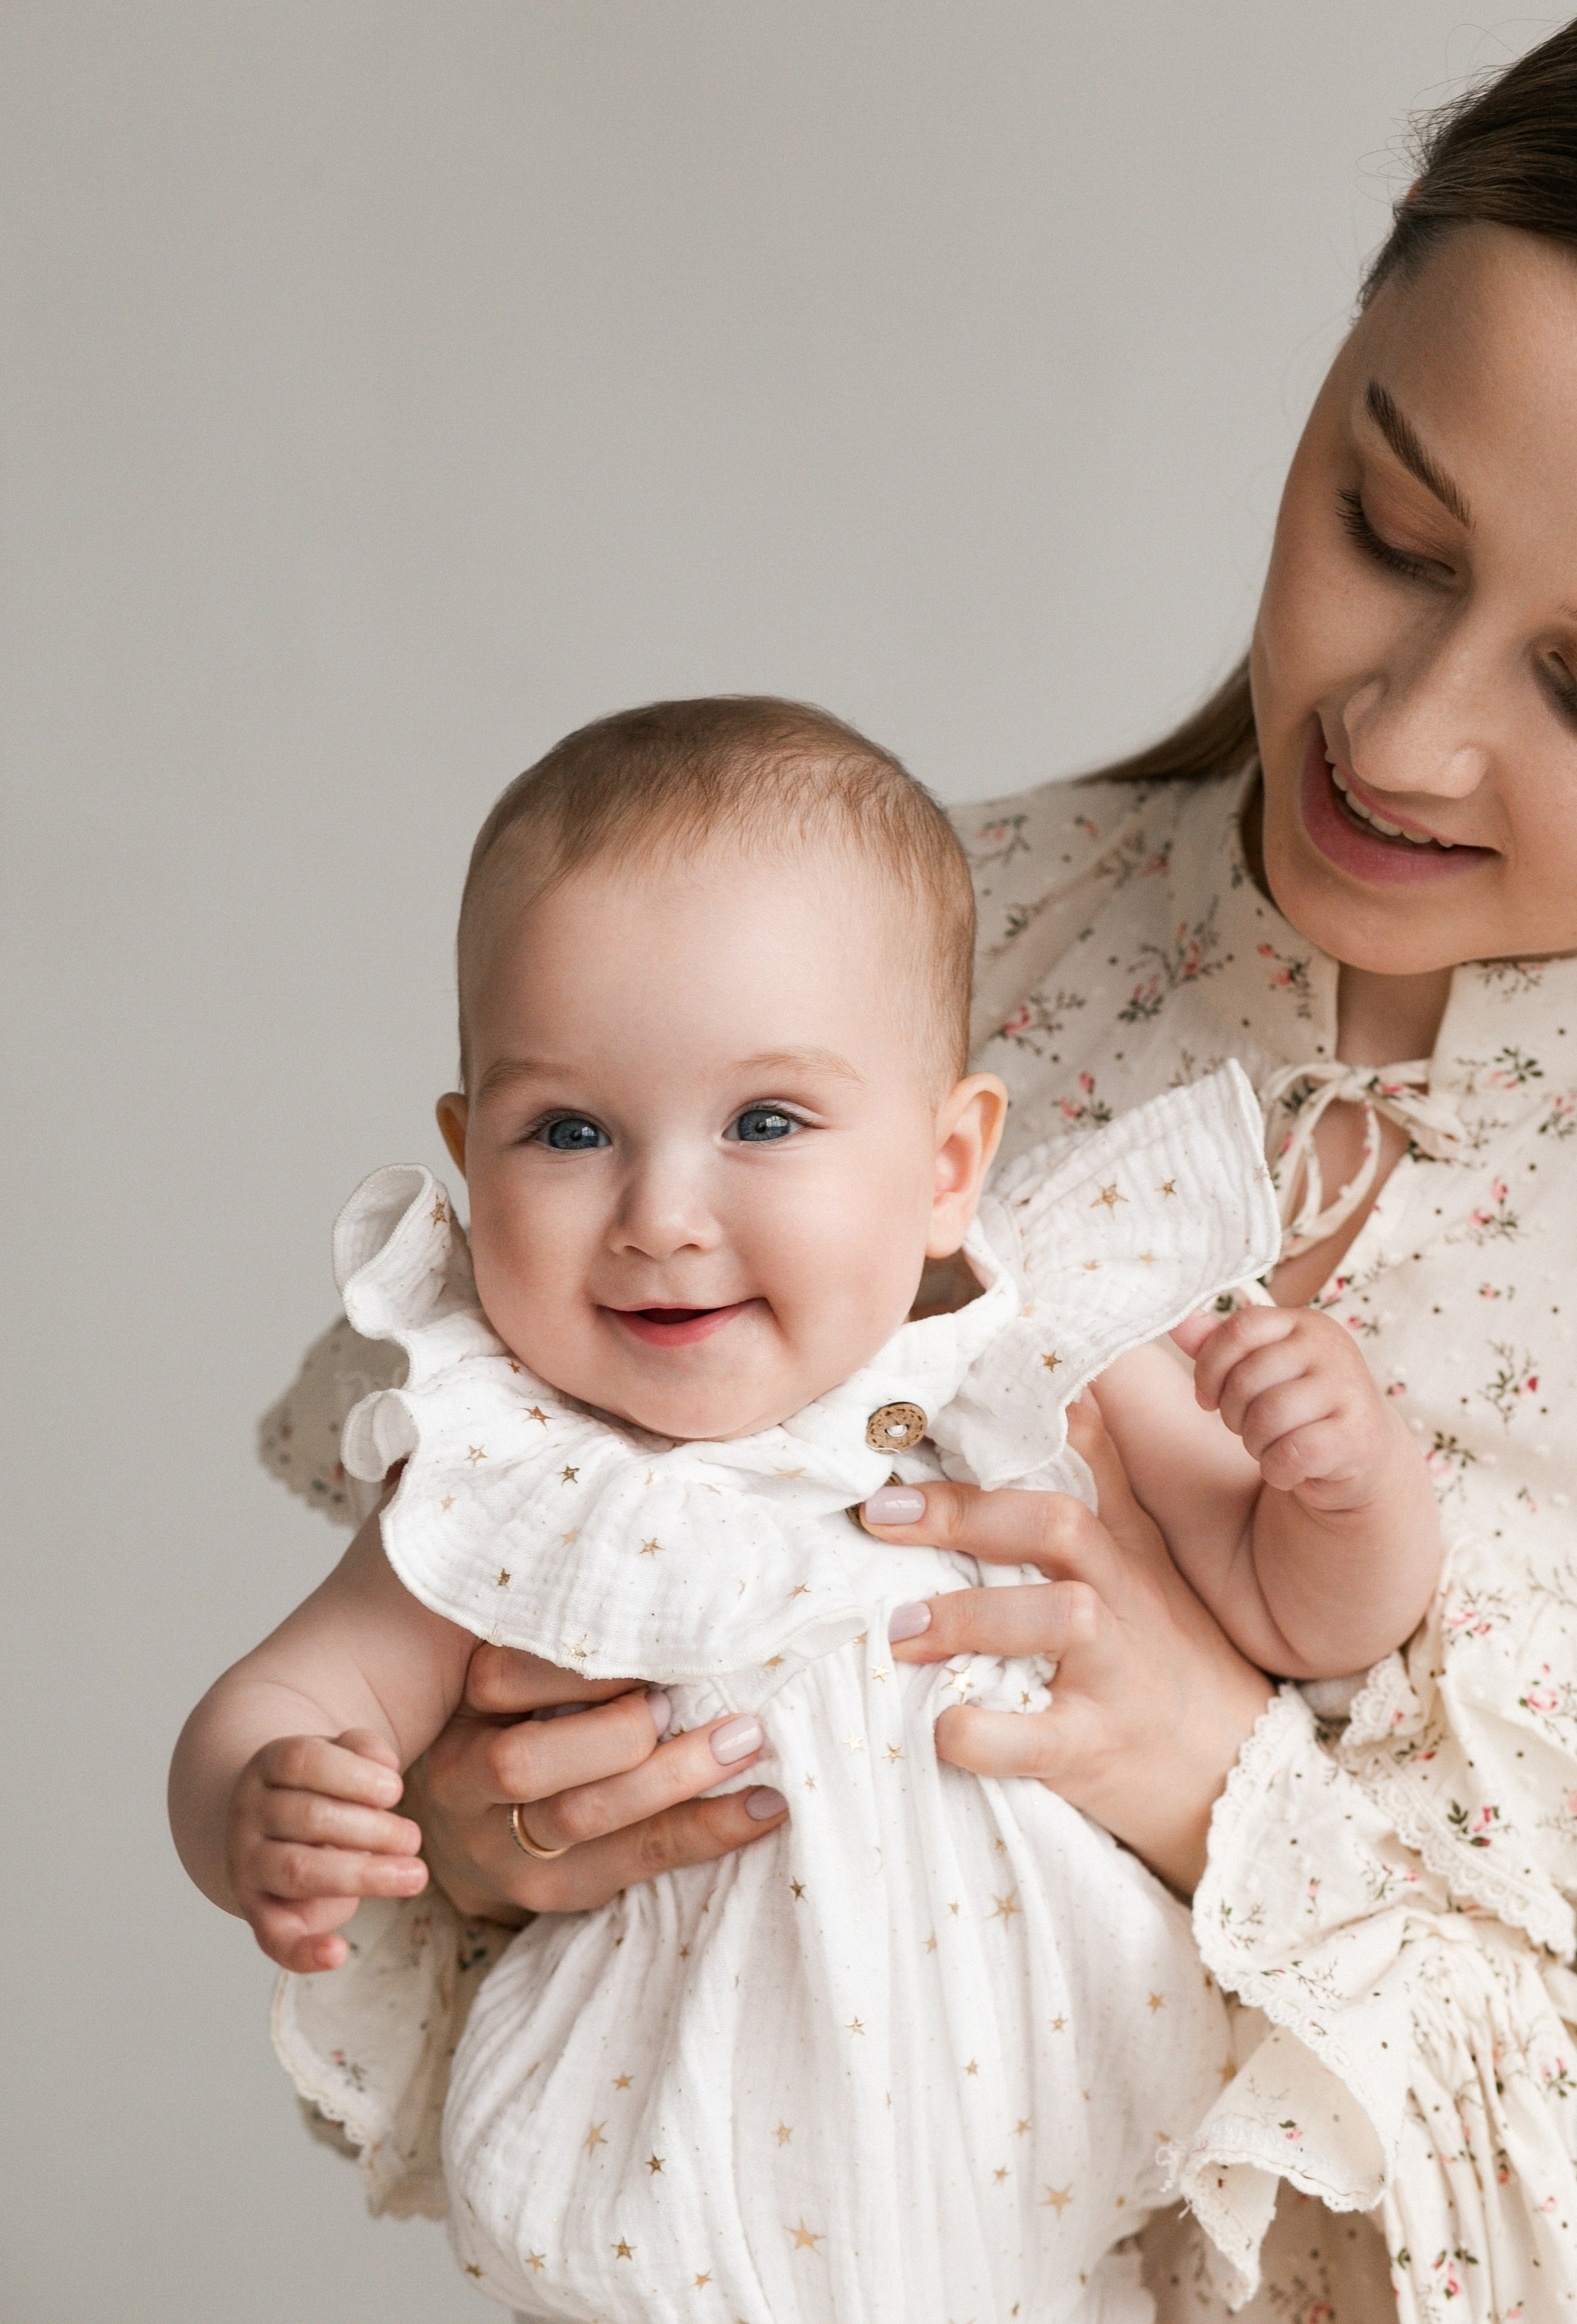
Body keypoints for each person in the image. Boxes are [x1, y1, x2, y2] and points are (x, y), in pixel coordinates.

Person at [239, 4, 1577, 2324]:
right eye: (1387, 526)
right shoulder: (866, 970)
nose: (1404, 730)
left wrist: (1220, 1785)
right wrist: (474, 1842)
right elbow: (444, 1624)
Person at [171, 697, 1438, 2323]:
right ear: (465, 1160)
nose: (662, 1216)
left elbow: (1304, 1621)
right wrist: (258, 1806)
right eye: (567, 1131)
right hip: (677, 2209)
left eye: (764, 1122)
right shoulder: (515, 1464)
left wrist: (1344, 1482)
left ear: (943, 1167)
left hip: (1058, 2172)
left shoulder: (1029, 1369)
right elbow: (298, 1695)